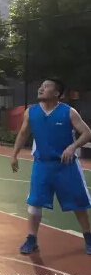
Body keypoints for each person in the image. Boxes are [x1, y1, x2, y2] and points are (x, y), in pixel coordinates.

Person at [11, 78, 91, 255]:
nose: (41, 88)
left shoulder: (68, 112)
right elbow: (23, 134)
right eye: (41, 86)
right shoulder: (31, 112)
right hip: (42, 165)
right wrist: (14, 155)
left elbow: (87, 133)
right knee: (35, 203)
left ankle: (88, 237)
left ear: (56, 94)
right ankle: (31, 239)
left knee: (79, 204)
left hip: (66, 166)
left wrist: (72, 147)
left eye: (46, 86)